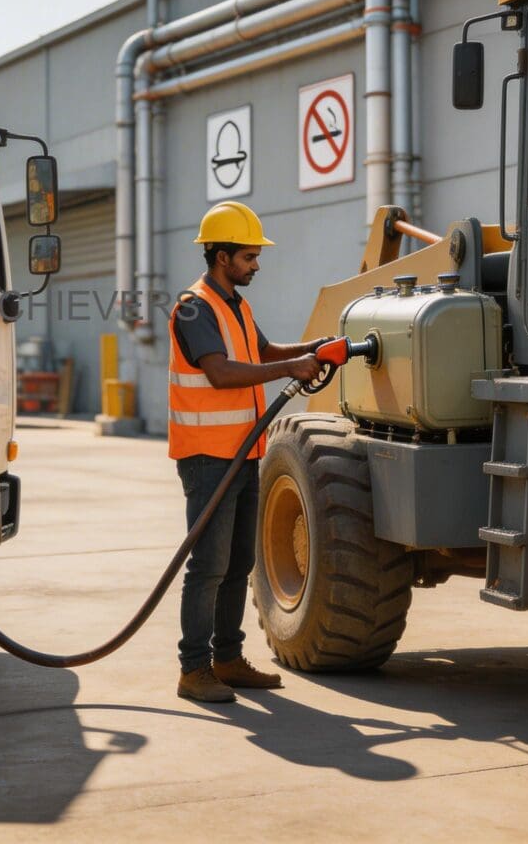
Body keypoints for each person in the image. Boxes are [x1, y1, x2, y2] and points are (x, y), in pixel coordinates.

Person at [169, 200, 325, 703]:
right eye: (249, 256)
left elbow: (259, 353)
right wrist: (291, 369)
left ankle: (228, 659)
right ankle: (194, 671)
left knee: (239, 564)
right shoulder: (194, 307)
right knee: (209, 566)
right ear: (221, 257)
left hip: (243, 452)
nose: (256, 264)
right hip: (207, 457)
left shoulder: (235, 303)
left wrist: (311, 350)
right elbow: (220, 372)